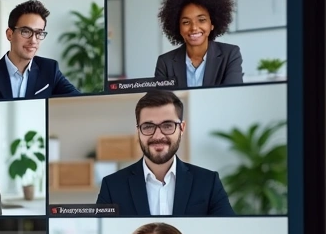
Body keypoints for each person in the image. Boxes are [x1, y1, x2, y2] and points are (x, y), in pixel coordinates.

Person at [96, 90, 234, 216]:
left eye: (167, 125)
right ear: (138, 131)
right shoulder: (112, 187)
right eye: (148, 126)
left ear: (182, 128)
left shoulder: (208, 183)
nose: (157, 136)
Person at [0, 0, 80, 99]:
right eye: (26, 31)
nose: (33, 40)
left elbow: (78, 101)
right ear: (10, 34)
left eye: (38, 33)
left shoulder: (50, 70)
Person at [154, 0, 243, 87]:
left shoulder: (230, 54)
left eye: (201, 20)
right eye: (186, 22)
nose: (194, 28)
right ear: (178, 27)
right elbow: (161, 100)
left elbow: (232, 94)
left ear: (212, 24)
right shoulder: (165, 62)